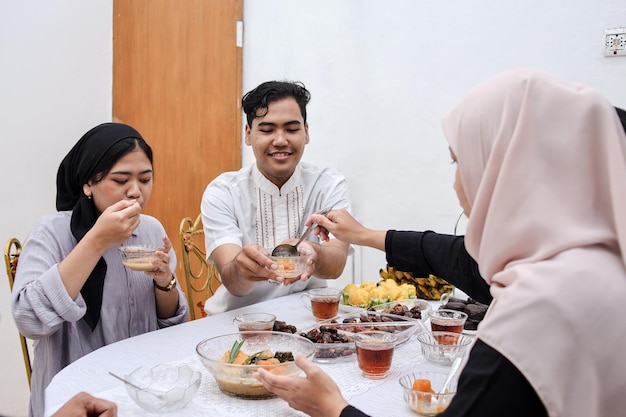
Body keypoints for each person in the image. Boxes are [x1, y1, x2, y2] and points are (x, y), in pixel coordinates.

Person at [255, 70, 626, 416]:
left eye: (460, 163)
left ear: (509, 170)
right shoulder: (597, 265)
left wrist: (334, 408)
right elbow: (460, 259)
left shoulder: (539, 312)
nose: (456, 184)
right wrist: (366, 236)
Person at [11, 122, 189, 417]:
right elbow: (29, 320)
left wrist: (164, 281)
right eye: (121, 180)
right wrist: (97, 240)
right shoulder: (52, 232)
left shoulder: (150, 229)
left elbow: (171, 323)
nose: (136, 192)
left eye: (145, 179)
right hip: (73, 397)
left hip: (139, 386)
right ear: (87, 184)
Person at [201, 80, 351, 314]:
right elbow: (233, 283)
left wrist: (315, 253)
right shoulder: (223, 191)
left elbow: (336, 263)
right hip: (239, 322)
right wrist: (242, 269)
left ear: (306, 132)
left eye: (291, 129)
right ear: (249, 134)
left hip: (311, 317)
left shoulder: (327, 184)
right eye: (267, 130)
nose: (280, 140)